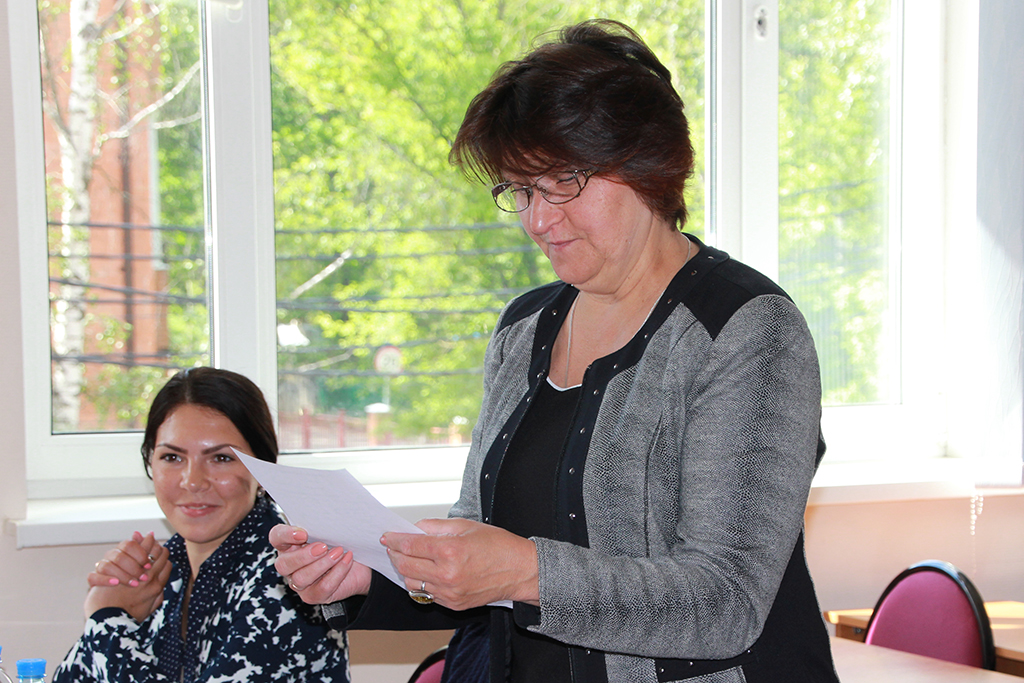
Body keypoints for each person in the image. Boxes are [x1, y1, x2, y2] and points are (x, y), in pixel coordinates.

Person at [271, 19, 839, 683]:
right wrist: (366, 577)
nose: (538, 219)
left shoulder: (743, 329)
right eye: (520, 190)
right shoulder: (524, 328)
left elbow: (725, 602)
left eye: (563, 181)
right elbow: (478, 554)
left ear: (648, 163)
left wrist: (525, 571)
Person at [53, 368, 350, 683]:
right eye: (172, 457)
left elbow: (106, 632)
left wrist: (107, 618)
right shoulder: (162, 569)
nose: (192, 481)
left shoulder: (290, 581)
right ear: (150, 461)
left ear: (264, 470)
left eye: (220, 458)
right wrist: (117, 605)